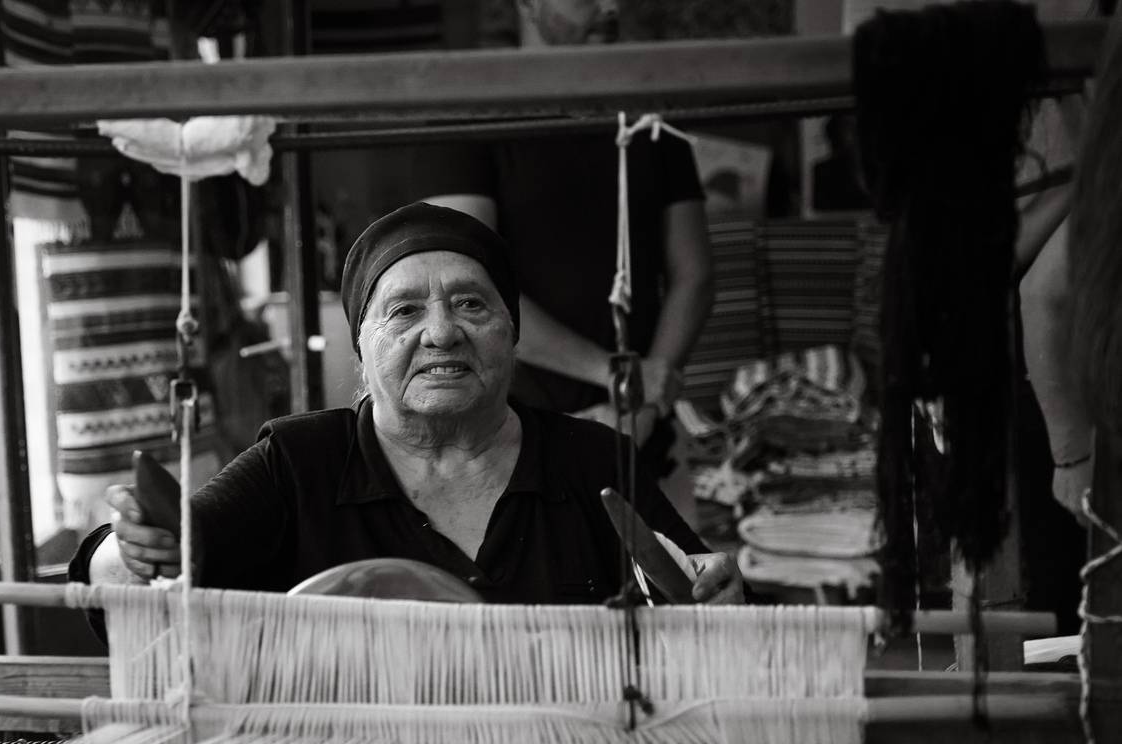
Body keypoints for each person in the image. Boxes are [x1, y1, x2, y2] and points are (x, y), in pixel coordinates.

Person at [72, 202, 743, 606]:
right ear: (361, 350)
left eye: (472, 304)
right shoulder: (299, 466)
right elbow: (166, 562)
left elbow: (697, 598)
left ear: (511, 337)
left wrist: (720, 591)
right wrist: (131, 553)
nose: (442, 331)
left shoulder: (594, 461)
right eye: (405, 310)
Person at [420, 0, 714, 490]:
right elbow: (464, 284)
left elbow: (695, 275)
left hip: (640, 442)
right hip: (503, 440)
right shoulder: (469, 108)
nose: (610, 6)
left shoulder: (647, 116)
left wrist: (638, 410)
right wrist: (620, 379)